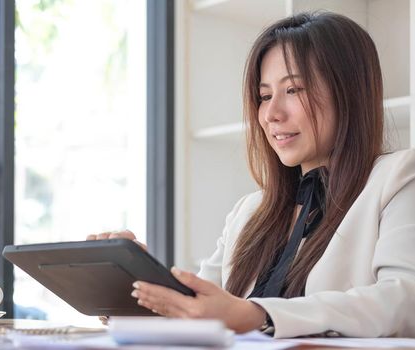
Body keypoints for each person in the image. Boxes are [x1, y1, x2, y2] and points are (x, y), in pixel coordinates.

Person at [87, 12, 415, 338]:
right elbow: (199, 310)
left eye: (294, 90)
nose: (272, 114)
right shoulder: (249, 211)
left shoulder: (397, 178)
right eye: (265, 96)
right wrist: (140, 283)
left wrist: (255, 314)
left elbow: (402, 301)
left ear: (349, 93)